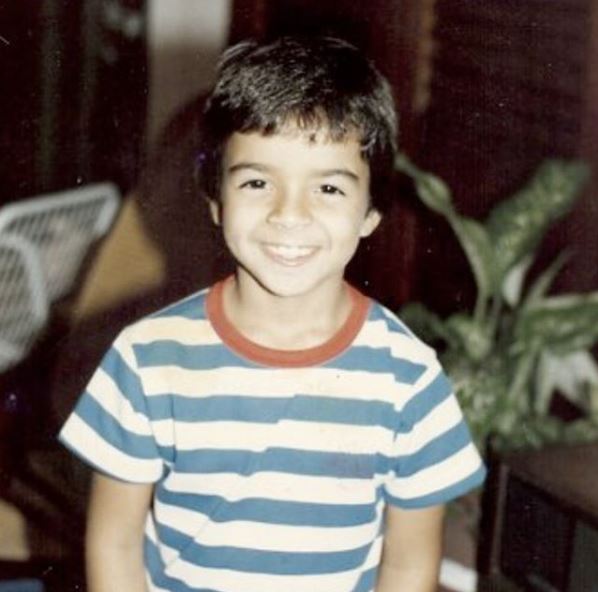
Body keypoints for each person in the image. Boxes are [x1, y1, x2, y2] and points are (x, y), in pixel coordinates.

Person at [59, 35, 485, 592]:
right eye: (258, 182)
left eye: (328, 188)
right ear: (216, 199)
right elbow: (114, 543)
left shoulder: (409, 377)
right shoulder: (147, 358)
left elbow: (408, 566)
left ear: (372, 212)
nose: (289, 214)